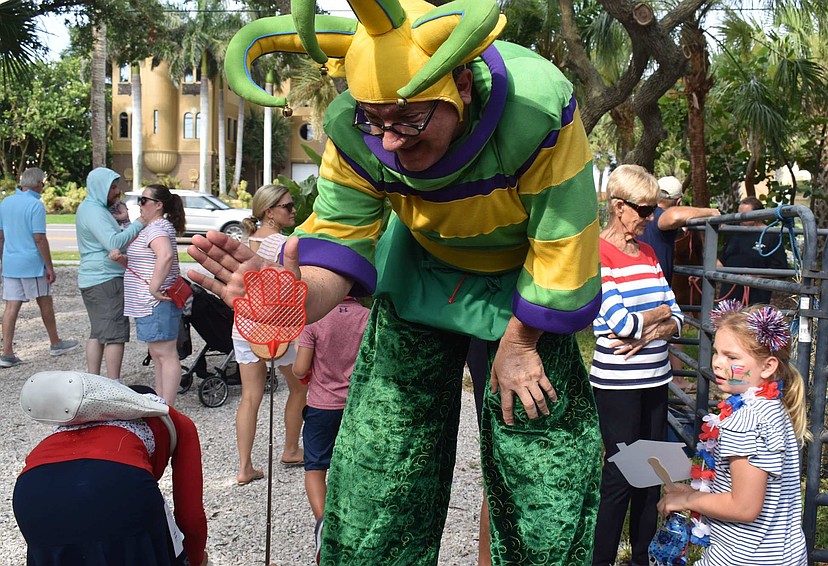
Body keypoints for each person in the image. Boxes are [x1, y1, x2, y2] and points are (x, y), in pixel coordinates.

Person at [192, 1, 603, 564]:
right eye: (373, 119)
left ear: (459, 81)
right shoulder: (354, 131)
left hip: (527, 285)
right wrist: (287, 298)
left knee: (543, 469)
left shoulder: (535, 106)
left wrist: (523, 342)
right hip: (421, 272)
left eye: (407, 120)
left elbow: (564, 234)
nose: (388, 142)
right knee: (380, 467)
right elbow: (338, 247)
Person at [658, 301, 808, 565]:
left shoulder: (746, 420)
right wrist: (690, 493)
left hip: (744, 557)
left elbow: (744, 506)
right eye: (717, 352)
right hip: (781, 554)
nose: (717, 363)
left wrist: (688, 500)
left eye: (732, 357)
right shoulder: (771, 407)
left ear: (768, 366)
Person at [590, 165, 683, 566]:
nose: (650, 218)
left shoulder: (646, 253)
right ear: (618, 207)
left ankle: (642, 558)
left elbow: (678, 319)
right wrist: (659, 314)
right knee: (620, 478)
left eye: (651, 210)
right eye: (644, 210)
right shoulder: (596, 253)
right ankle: (602, 559)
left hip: (655, 378)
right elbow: (619, 322)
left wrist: (653, 327)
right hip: (617, 385)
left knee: (652, 475)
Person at [14, 375, 208, 565]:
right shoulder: (173, 419)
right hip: (117, 482)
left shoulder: (76, 419)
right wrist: (195, 557)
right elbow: (190, 515)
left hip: (33, 489)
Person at [232, 183, 305, 486]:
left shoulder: (243, 242)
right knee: (299, 387)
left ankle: (244, 467)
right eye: (288, 206)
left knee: (250, 396)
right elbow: (294, 286)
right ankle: (290, 449)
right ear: (269, 212)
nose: (293, 210)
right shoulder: (283, 244)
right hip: (278, 327)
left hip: (245, 324)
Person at [292, 295, 370, 562]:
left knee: (315, 467)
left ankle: (325, 525)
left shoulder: (314, 318)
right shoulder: (367, 317)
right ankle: (356, 524)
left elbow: (300, 368)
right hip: (356, 406)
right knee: (355, 465)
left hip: (321, 406)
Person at [636, 175, 718, 391]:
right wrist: (711, 212)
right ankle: (663, 381)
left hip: (645, 284)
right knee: (661, 329)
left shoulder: (639, 212)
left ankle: (673, 378)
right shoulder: (659, 215)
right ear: (679, 200)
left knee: (668, 327)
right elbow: (673, 216)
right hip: (652, 286)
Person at [0, 168, 79, 367]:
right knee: (45, 302)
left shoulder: (6, 202)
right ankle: (55, 342)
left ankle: (7, 351)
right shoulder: (35, 205)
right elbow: (39, 238)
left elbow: (1, 236)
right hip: (31, 263)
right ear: (37, 184)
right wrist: (49, 266)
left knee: (11, 306)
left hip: (11, 262)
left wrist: (3, 258)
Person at [115, 184, 186, 405]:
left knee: (165, 354)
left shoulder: (157, 228)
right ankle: (161, 402)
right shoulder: (152, 227)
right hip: (149, 303)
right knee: (158, 355)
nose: (139, 204)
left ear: (158, 205)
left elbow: (165, 256)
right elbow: (148, 261)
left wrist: (154, 288)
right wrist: (123, 260)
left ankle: (168, 407)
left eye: (143, 200)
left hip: (156, 303)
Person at [76, 168, 145, 379]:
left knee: (98, 332)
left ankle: (93, 380)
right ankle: (113, 384)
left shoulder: (91, 208)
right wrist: (139, 223)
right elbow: (113, 243)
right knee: (115, 334)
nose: (118, 191)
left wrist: (124, 221)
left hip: (92, 277)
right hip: (105, 278)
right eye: (113, 187)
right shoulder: (94, 211)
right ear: (100, 188)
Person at [718, 197, 788, 305]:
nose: (740, 219)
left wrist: (757, 276)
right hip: (729, 294)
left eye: (744, 215)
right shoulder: (734, 232)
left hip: (755, 297)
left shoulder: (771, 235)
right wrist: (702, 273)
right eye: (739, 214)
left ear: (757, 215)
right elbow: (722, 261)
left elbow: (781, 268)